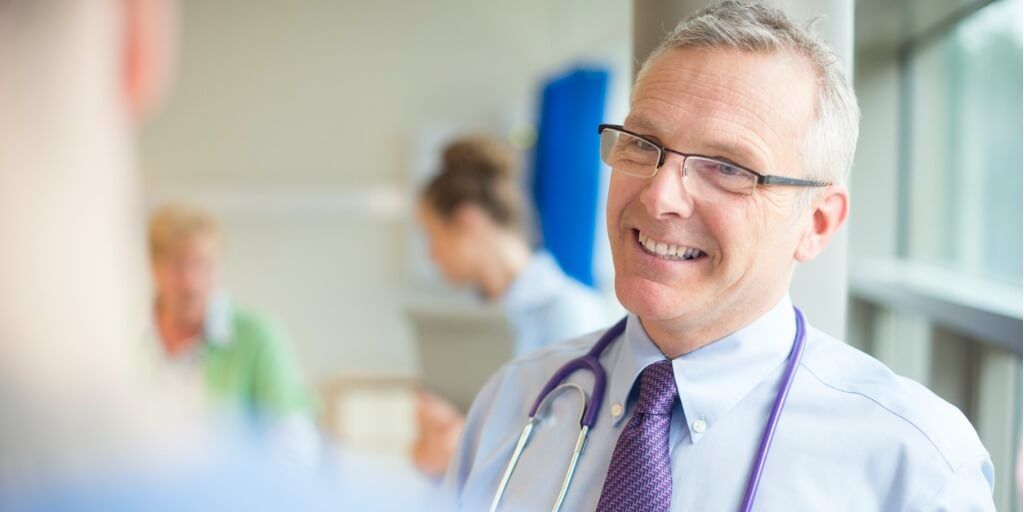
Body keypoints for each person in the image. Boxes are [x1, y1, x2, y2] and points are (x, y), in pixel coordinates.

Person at [444, 2, 996, 511]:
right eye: (642, 144)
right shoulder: (514, 405)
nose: (660, 196)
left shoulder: (915, 467)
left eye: (729, 167)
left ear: (817, 223)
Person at [412, 135, 612, 476]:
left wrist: (466, 453)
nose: (432, 255)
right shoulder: (479, 323)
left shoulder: (571, 314)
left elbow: (575, 457)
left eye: (433, 236)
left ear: (467, 221)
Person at [146, 203, 319, 464]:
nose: (190, 282)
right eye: (177, 265)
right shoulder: (119, 341)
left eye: (203, 264)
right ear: (154, 267)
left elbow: (296, 442)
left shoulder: (257, 337)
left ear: (221, 266)